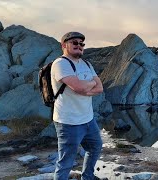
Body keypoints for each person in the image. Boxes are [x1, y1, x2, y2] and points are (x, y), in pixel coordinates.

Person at [51, 31, 103, 180]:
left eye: (81, 44)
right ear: (64, 45)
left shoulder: (87, 64)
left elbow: (100, 88)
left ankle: (87, 177)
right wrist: (87, 86)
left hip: (88, 119)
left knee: (95, 147)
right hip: (69, 122)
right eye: (74, 43)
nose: (79, 46)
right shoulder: (61, 63)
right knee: (66, 161)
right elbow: (79, 88)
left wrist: (86, 88)